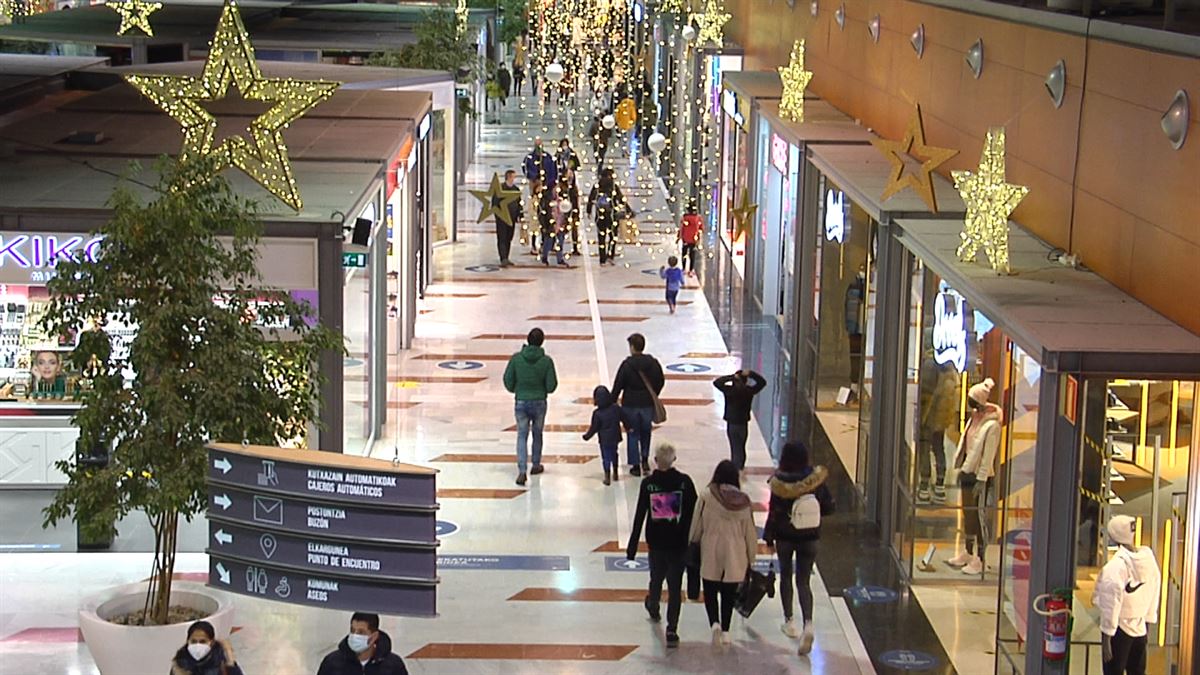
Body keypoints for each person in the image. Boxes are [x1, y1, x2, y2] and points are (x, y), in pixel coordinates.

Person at [762, 441, 835, 655]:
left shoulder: (779, 483)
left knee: (786, 576)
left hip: (785, 537)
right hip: (810, 536)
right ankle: (809, 624)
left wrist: (768, 536)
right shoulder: (815, 480)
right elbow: (829, 507)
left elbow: (773, 513)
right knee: (804, 580)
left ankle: (789, 621)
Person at [626, 443, 698, 648]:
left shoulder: (649, 484)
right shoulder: (685, 483)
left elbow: (640, 514)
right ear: (674, 459)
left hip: (656, 542)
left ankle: (654, 604)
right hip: (679, 543)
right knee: (675, 587)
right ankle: (672, 628)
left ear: (655, 460)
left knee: (656, 578)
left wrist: (632, 546)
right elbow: (694, 513)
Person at [688, 459, 757, 647]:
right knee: (728, 594)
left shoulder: (706, 496)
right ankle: (726, 631)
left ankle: (714, 624)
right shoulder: (744, 502)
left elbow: (697, 525)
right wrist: (752, 557)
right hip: (736, 554)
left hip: (711, 550)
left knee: (710, 591)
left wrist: (692, 542)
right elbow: (750, 533)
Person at [947, 378, 1002, 576]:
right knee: (967, 515)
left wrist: (982, 479)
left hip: (980, 477)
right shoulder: (973, 418)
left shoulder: (992, 425)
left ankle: (980, 558)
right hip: (967, 472)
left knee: (978, 517)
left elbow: (988, 456)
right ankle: (968, 552)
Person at [1093, 515, 1161, 675]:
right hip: (1140, 628)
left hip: (1119, 630)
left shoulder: (1115, 567)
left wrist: (1106, 637)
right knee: (1138, 671)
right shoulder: (1149, 559)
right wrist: (1148, 621)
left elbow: (1111, 605)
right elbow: (1155, 590)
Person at [502, 328, 558, 486]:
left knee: (521, 435)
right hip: (540, 401)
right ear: (542, 342)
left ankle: (521, 470)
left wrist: (517, 390)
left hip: (521, 401)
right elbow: (552, 385)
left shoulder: (516, 359)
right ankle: (535, 464)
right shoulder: (546, 361)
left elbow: (508, 380)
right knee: (538, 433)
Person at [611, 333, 664, 477]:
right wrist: (654, 394)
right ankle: (645, 459)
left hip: (630, 405)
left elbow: (618, 384)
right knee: (646, 432)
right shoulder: (653, 363)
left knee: (632, 433)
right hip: (647, 404)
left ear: (632, 347)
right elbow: (660, 381)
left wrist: (612, 400)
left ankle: (635, 465)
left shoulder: (627, 365)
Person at [917, 355, 958, 504]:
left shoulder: (929, 364)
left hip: (928, 417)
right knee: (939, 449)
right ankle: (940, 486)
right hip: (941, 419)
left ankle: (924, 487)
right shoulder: (950, 369)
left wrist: (920, 417)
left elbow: (925, 395)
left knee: (924, 450)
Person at [316, 611, 409, 675]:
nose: (354, 635)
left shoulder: (393, 665)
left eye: (361, 632)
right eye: (352, 630)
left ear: (374, 636)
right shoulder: (332, 663)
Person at [712, 369, 767, 470]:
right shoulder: (749, 391)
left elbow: (717, 382)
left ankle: (735, 467)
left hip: (732, 423)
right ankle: (739, 466)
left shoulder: (730, 391)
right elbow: (762, 382)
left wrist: (732, 376)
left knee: (734, 446)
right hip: (743, 424)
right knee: (741, 447)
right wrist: (751, 374)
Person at [582, 385, 625, 485]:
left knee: (606, 456)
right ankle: (615, 472)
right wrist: (629, 427)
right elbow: (624, 418)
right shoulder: (615, 408)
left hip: (604, 439)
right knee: (614, 453)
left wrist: (587, 436)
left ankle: (607, 476)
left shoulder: (597, 413)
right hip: (615, 437)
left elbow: (594, 428)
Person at [169, 620, 243, 675]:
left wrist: (229, 659)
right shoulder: (180, 663)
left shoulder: (221, 661)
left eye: (202, 641)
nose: (198, 645)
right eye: (194, 641)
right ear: (188, 641)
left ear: (212, 642)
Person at [587, 168, 627, 266]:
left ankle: (602, 259)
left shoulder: (597, 187)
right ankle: (610, 255)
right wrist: (627, 210)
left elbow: (591, 199)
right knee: (613, 236)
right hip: (612, 215)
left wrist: (588, 211)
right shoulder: (613, 187)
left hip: (600, 216)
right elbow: (621, 200)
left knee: (601, 237)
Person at [538, 179, 572, 267]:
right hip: (551, 223)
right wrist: (544, 224)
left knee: (560, 242)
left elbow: (567, 210)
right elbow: (542, 212)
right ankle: (544, 257)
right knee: (548, 242)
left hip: (560, 223)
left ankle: (560, 259)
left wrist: (566, 221)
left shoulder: (563, 198)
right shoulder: (546, 199)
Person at [494, 169, 523, 267]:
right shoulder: (500, 189)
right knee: (502, 237)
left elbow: (519, 203)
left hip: (512, 218)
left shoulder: (515, 189)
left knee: (509, 238)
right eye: (513, 177)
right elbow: (495, 204)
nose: (514, 179)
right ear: (509, 177)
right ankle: (503, 258)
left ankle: (507, 256)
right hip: (502, 219)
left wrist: (520, 215)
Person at [522, 137, 557, 201]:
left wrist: (551, 182)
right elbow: (525, 169)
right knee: (535, 202)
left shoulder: (548, 157)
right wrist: (534, 177)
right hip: (534, 183)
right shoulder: (529, 158)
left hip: (547, 184)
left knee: (547, 202)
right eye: (537, 145)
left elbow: (553, 170)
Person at [678, 202, 703, 276]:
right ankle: (691, 270)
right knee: (692, 255)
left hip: (685, 238)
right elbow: (701, 229)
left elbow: (682, 228)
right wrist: (698, 238)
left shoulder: (684, 217)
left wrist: (679, 236)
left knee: (684, 253)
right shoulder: (698, 218)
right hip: (693, 239)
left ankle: (683, 269)